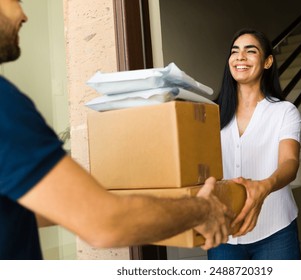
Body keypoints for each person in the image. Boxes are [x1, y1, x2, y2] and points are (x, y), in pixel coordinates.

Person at [0, 0, 231, 260]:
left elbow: (19, 206)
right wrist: (201, 210)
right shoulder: (5, 106)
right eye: (16, 1)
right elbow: (104, 224)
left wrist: (120, 202)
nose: (23, 15)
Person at [207, 28, 301, 260]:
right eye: (235, 51)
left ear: (268, 61)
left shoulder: (284, 112)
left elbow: (289, 162)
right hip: (223, 233)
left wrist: (265, 185)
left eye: (250, 51)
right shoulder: (210, 114)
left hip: (275, 230)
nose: (240, 57)